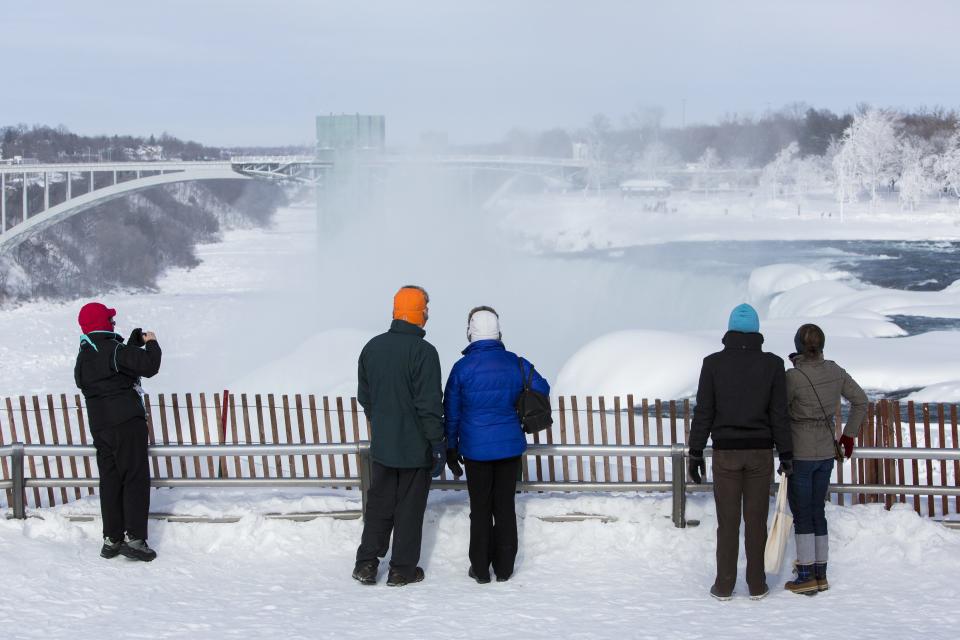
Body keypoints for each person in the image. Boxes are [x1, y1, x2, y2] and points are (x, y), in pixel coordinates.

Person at [688, 303, 793, 601]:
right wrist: (786, 454)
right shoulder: (773, 365)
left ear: (730, 329)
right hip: (760, 454)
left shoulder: (712, 363)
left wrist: (696, 452)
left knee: (728, 522)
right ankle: (757, 584)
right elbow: (779, 414)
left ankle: (724, 585)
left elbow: (704, 411)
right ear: (757, 331)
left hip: (725, 454)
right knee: (756, 521)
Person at [443, 306, 550, 584]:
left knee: (480, 508)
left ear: (470, 333)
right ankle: (504, 568)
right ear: (498, 331)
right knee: (504, 506)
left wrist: (451, 448)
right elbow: (542, 387)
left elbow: (451, 411)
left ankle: (480, 569)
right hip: (509, 448)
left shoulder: (461, 368)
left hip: (475, 450)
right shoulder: (516, 362)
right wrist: (515, 402)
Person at [353, 285, 446, 587]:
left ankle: (366, 564)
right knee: (409, 508)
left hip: (383, 445)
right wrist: (437, 443)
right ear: (420, 313)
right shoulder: (424, 353)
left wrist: (381, 421)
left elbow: (364, 396)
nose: (428, 316)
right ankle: (401, 570)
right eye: (427, 310)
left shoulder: (372, 347)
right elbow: (429, 405)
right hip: (415, 448)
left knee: (379, 503)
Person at [74, 302, 162, 562]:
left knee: (111, 481)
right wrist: (152, 342)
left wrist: (132, 344)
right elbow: (148, 366)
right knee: (134, 478)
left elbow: (118, 367)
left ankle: (112, 539)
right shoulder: (111, 349)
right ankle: (135, 540)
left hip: (100, 427)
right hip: (126, 422)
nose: (114, 323)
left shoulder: (85, 354)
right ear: (104, 323)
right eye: (110, 320)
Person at [783, 323, 866, 594]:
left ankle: (805, 574)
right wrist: (848, 436)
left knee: (802, 512)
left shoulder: (793, 377)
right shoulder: (835, 371)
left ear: (797, 346)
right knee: (818, 509)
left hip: (802, 452)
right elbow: (861, 401)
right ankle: (821, 573)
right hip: (827, 453)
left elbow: (779, 410)